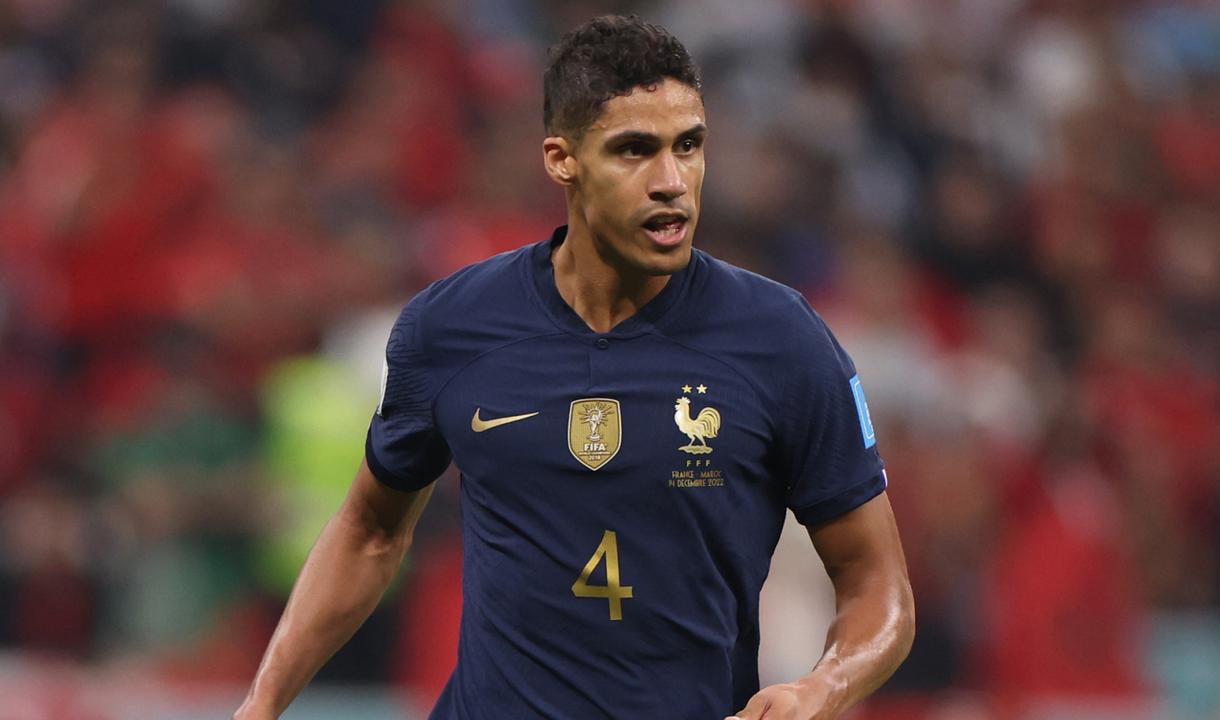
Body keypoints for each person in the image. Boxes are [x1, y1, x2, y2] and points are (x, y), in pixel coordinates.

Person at [234, 15, 913, 720]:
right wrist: (261, 706)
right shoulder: (451, 329)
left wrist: (823, 686)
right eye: (634, 150)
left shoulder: (782, 340)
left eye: (690, 146)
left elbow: (878, 583)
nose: (672, 181)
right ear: (562, 159)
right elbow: (370, 532)